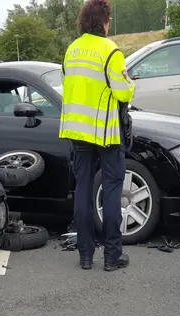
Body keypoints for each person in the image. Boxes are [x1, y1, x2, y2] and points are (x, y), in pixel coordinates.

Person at [59, 0, 135, 271]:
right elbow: (123, 92)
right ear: (104, 21)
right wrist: (130, 83)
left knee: (83, 189)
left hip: (77, 131)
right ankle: (112, 255)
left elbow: (67, 82)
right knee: (112, 188)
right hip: (104, 131)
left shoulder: (72, 50)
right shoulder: (110, 50)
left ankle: (85, 255)